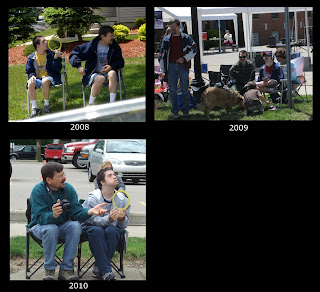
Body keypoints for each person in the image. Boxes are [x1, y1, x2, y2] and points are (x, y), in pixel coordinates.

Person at [28, 162, 107, 280]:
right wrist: (53, 215)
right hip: (40, 227)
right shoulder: (38, 191)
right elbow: (39, 218)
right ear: (49, 180)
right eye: (60, 176)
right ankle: (49, 270)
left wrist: (90, 211)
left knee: (75, 226)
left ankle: (66, 269)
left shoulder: (68, 189)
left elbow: (77, 212)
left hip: (61, 227)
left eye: (63, 174)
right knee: (51, 228)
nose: (64, 178)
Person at [81, 168, 130, 281]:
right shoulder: (93, 198)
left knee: (111, 231)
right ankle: (107, 270)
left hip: (111, 230)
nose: (115, 177)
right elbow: (91, 220)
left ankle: (100, 267)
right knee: (97, 231)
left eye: (114, 174)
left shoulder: (123, 199)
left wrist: (122, 219)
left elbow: (123, 227)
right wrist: (109, 219)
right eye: (110, 175)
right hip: (91, 227)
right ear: (102, 182)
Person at [69, 26, 124, 105]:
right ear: (103, 37)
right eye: (111, 35)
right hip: (93, 74)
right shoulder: (91, 46)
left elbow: (120, 62)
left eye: (113, 35)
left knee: (112, 73)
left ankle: (112, 104)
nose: (113, 37)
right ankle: (91, 104)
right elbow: (74, 53)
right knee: (100, 78)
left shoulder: (115, 47)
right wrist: (78, 66)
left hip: (109, 74)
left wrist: (111, 66)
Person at [158, 18, 197, 119]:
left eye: (174, 28)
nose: (172, 30)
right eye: (170, 28)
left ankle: (185, 110)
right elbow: (161, 55)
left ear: (179, 27)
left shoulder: (186, 38)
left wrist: (184, 58)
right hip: (170, 66)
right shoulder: (166, 40)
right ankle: (175, 112)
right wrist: (163, 70)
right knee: (172, 91)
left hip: (183, 66)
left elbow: (194, 49)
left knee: (185, 89)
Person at [25, 36, 62, 118]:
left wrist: (55, 58)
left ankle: (46, 105)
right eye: (43, 41)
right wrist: (31, 76)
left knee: (45, 80)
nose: (46, 42)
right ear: (38, 45)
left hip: (50, 78)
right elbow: (29, 71)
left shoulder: (51, 54)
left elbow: (57, 69)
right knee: (30, 83)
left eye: (46, 40)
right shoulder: (31, 58)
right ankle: (35, 107)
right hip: (38, 79)